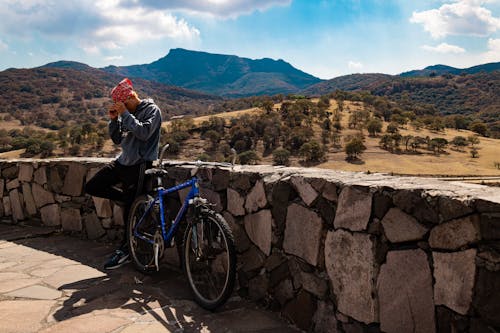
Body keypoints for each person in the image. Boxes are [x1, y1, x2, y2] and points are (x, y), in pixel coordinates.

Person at [85, 78, 162, 269]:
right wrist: (113, 120)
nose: (122, 107)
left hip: (140, 165)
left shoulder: (152, 111)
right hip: (122, 162)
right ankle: (128, 199)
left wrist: (125, 114)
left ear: (130, 97)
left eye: (123, 103)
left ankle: (126, 250)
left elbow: (144, 133)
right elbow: (117, 139)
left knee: (131, 215)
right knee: (92, 186)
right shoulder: (127, 112)